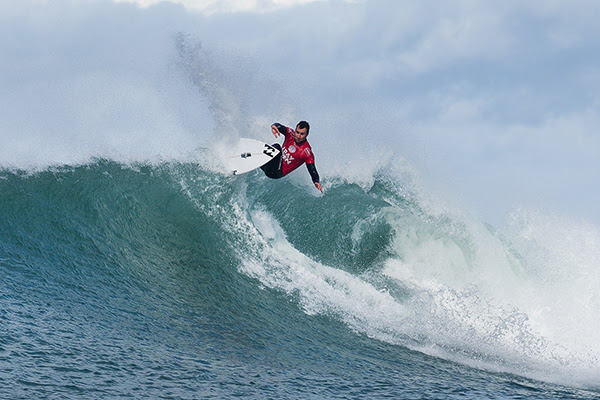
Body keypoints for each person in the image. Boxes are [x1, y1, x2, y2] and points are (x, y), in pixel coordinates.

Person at [260, 121, 323, 192]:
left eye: (302, 134)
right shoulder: (290, 134)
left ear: (307, 134)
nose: (298, 136)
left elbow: (312, 169)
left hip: (276, 172)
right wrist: (274, 126)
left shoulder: (306, 152)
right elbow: (280, 126)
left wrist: (316, 181)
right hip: (269, 166)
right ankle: (255, 159)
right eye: (297, 132)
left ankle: (260, 160)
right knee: (271, 147)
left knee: (277, 148)